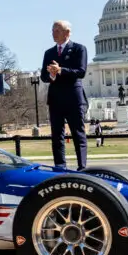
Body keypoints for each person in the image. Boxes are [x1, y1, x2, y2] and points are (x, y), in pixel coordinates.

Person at [41, 20, 89, 171]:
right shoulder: (49, 53)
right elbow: (43, 76)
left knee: (78, 133)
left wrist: (61, 70)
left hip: (74, 98)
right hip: (55, 99)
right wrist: (52, 75)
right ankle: (60, 166)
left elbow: (80, 72)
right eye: (53, 30)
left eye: (57, 30)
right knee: (57, 135)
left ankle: (82, 167)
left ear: (67, 32)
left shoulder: (78, 49)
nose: (54, 33)